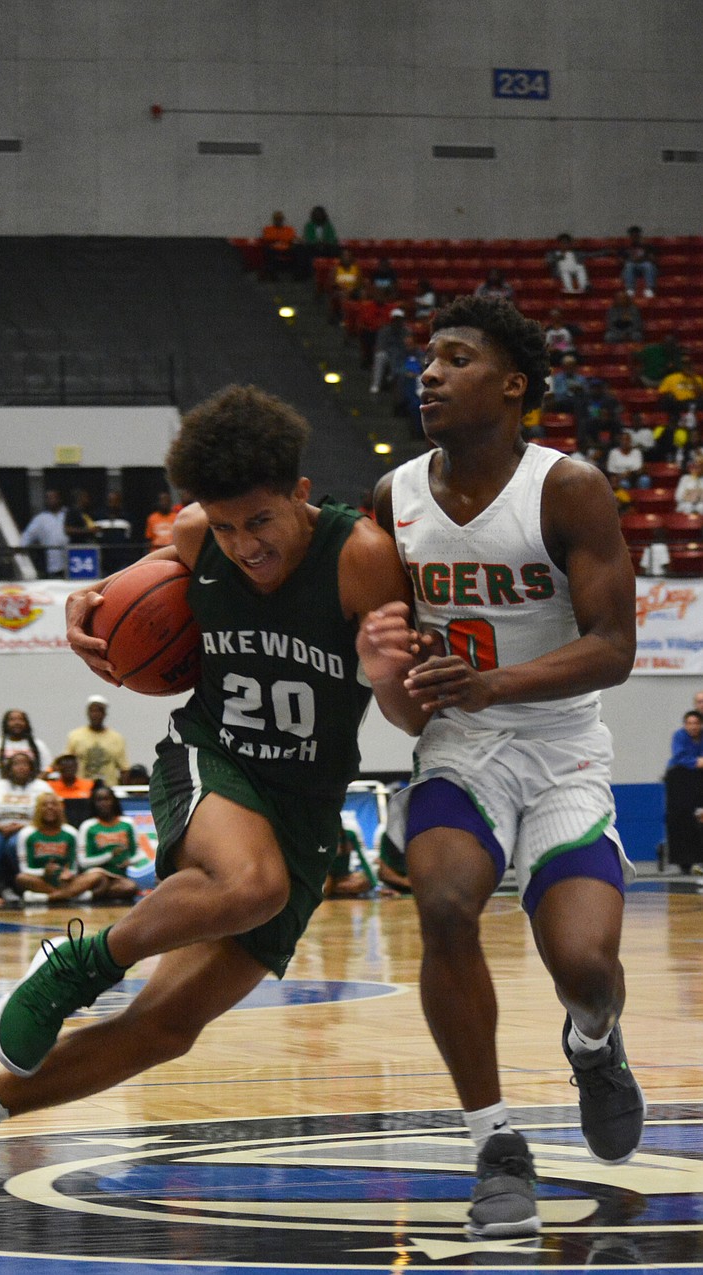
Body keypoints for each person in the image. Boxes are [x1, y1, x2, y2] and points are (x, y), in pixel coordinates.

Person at [0, 381, 411, 1220]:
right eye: (224, 526)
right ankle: (78, 964)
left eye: (258, 522)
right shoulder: (198, 536)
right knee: (250, 884)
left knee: (164, 1029)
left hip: (305, 802)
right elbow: (115, 600)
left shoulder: (361, 555)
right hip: (212, 756)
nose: (242, 545)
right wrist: (86, 610)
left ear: (301, 495)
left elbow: (408, 709)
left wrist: (386, 671)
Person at [356, 295, 643, 1238]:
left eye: (454, 357)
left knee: (588, 966)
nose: (427, 374)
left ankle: (594, 1044)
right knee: (441, 903)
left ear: (513, 383)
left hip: (561, 748)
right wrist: (392, 672)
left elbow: (613, 647)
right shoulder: (391, 500)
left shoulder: (569, 489)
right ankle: (495, 1143)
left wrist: (495, 681)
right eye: (424, 360)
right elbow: (403, 699)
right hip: (461, 749)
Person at [14, 792, 117, 903]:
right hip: (40, 879)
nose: (50, 808)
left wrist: (67, 874)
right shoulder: (26, 833)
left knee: (98, 876)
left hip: (66, 880)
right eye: (44, 805)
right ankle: (72, 896)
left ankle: (47, 898)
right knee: (21, 878)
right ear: (37, 809)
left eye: (54, 804)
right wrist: (44, 872)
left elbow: (74, 867)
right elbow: (24, 869)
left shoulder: (70, 832)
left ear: (60, 808)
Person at [0, 751, 54, 899]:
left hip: (31, 829)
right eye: (16, 764)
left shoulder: (42, 786)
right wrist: (0, 827)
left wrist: (21, 827)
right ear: (9, 767)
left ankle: (21, 885)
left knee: (14, 845)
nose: (21, 767)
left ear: (31, 767)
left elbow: (50, 815)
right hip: (1, 829)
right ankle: (2, 887)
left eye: (25, 764)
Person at [77, 784, 147, 897]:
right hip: (95, 874)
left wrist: (130, 861)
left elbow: (140, 855)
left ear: (114, 801)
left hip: (117, 877)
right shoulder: (87, 826)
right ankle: (84, 892)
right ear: (93, 804)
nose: (103, 803)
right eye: (99, 800)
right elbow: (83, 862)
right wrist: (109, 856)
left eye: (107, 799)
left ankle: (86, 895)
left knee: (130, 887)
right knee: (99, 878)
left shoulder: (128, 823)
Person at [0, 709, 52, 796]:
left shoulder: (39, 745)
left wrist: (33, 784)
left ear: (26, 723)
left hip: (33, 794)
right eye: (12, 720)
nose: (17, 722)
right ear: (5, 724)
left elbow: (48, 769)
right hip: (1, 794)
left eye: (21, 719)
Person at [664, 710, 703, 874]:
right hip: (680, 782)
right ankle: (684, 861)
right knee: (682, 819)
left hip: (699, 780)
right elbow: (680, 757)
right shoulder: (679, 736)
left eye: (696, 724)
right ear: (685, 725)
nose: (692, 727)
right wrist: (695, 762)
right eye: (689, 723)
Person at [65, 694, 129, 786]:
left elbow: (124, 769)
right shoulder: (75, 736)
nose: (95, 714)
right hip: (82, 789)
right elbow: (67, 764)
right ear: (87, 713)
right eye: (92, 711)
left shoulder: (116, 738)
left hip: (108, 789)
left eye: (99, 711)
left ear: (105, 714)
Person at [20, 489, 67, 576]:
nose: (51, 501)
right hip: (53, 565)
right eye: (49, 498)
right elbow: (27, 536)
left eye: (54, 498)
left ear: (60, 499)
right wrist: (21, 549)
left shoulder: (68, 514)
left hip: (72, 561)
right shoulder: (40, 518)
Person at [322, 823, 375, 897]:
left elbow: (362, 859)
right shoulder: (324, 836)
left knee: (364, 882)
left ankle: (337, 890)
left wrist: (374, 883)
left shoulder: (349, 835)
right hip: (328, 875)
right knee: (327, 887)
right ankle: (336, 890)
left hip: (344, 876)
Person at [369, 308, 409, 394]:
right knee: (380, 356)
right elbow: (380, 346)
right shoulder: (384, 330)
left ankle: (399, 387)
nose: (397, 321)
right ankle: (376, 384)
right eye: (396, 319)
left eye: (399, 319)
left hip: (401, 354)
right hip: (387, 353)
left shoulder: (406, 331)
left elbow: (407, 346)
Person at [94, 490, 133, 574]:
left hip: (121, 557)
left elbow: (129, 536)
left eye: (115, 501)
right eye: (110, 501)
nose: (113, 504)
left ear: (119, 502)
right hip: (104, 558)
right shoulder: (98, 516)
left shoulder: (126, 516)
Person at [260, 210, 302, 280]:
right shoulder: (267, 229)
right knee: (267, 249)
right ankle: (272, 275)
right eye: (276, 219)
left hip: (287, 249)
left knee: (300, 249)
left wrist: (299, 241)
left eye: (280, 219)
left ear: (283, 220)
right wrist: (280, 240)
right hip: (274, 249)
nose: (278, 220)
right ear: (273, 220)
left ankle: (298, 274)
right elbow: (267, 239)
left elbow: (293, 239)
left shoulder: (289, 229)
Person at [618, 225, 657, 298]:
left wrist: (642, 259)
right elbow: (620, 261)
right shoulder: (625, 247)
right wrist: (632, 260)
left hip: (645, 267)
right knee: (629, 265)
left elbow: (653, 259)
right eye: (632, 236)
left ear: (639, 235)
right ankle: (630, 290)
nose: (634, 237)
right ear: (629, 236)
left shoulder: (647, 246)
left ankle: (649, 289)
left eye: (636, 235)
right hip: (631, 268)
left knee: (647, 265)